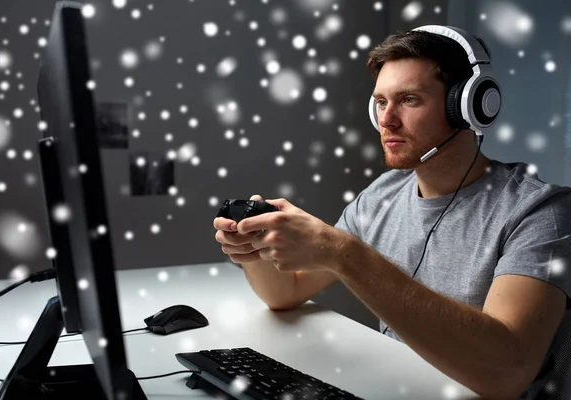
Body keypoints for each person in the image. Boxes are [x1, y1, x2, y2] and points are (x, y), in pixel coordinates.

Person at [213, 26, 571, 400]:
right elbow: (287, 292)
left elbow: (506, 374)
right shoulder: (381, 196)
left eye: (409, 100)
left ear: (467, 106)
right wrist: (254, 248)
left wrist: (344, 253)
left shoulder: (541, 213)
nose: (386, 120)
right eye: (381, 102)